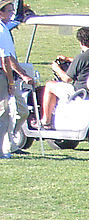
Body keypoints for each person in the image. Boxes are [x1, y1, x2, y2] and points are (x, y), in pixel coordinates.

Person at [39, 27, 89, 128]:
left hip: (79, 91)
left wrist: (57, 68)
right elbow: (86, 62)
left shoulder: (82, 57)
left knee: (49, 85)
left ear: (81, 42)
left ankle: (46, 121)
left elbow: (67, 79)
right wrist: (68, 59)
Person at [0, 0, 31, 158]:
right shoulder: (1, 29)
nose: (12, 13)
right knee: (4, 112)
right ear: (1, 12)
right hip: (4, 75)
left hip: (8, 74)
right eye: (9, 11)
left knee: (17, 112)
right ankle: (4, 148)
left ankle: (9, 143)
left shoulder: (5, 27)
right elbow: (6, 58)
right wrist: (15, 79)